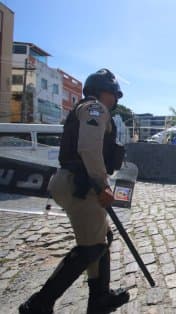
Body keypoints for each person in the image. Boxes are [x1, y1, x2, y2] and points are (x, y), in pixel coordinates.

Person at [19, 69, 130, 313]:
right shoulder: (95, 109)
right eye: (113, 94)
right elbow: (89, 149)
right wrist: (102, 185)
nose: (115, 100)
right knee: (91, 247)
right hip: (82, 184)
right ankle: (38, 304)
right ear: (101, 91)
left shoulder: (87, 109)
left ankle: (100, 296)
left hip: (77, 181)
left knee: (102, 239)